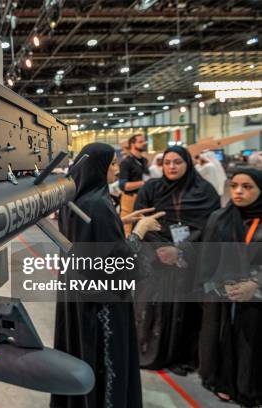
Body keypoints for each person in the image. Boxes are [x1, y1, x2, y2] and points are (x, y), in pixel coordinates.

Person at [51, 143, 163, 408]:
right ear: (97, 168)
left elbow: (86, 235)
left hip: (77, 294)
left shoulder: (75, 200)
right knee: (105, 361)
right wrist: (139, 230)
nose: (116, 169)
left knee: (81, 354)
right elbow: (118, 261)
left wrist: (121, 221)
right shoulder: (99, 204)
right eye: (112, 164)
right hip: (102, 304)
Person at [133, 146, 220, 374]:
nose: (172, 166)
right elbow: (141, 221)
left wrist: (181, 250)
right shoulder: (152, 188)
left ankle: (181, 356)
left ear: (188, 164)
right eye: (167, 162)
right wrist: (162, 250)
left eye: (177, 162)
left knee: (185, 311)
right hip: (156, 259)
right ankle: (150, 352)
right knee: (154, 309)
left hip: (189, 261)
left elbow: (207, 227)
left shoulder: (205, 191)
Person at [198, 168, 262, 406]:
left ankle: (250, 386)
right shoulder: (220, 218)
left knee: (251, 341)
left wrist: (255, 284)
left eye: (247, 187)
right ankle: (224, 381)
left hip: (255, 296)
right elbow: (207, 258)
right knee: (222, 338)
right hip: (225, 293)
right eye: (234, 185)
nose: (238, 192)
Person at [119, 135, 149, 234]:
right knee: (128, 228)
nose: (144, 143)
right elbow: (123, 186)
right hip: (130, 199)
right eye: (140, 142)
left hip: (143, 198)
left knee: (142, 227)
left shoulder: (144, 161)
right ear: (132, 144)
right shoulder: (126, 162)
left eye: (144, 141)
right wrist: (144, 183)